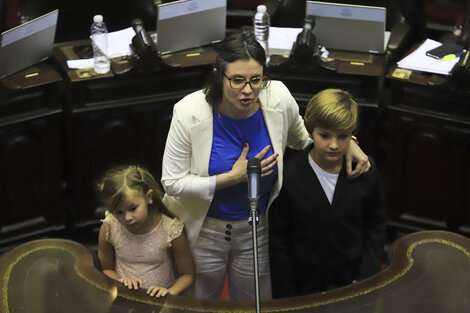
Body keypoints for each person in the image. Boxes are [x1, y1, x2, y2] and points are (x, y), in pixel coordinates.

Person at [160, 32, 370, 301]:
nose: (248, 90)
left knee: (255, 303)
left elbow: (305, 140)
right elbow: (172, 183)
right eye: (237, 80)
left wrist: (348, 141)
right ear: (218, 75)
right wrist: (230, 178)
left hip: (256, 231)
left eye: (256, 80)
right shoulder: (188, 112)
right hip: (203, 233)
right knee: (197, 305)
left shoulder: (278, 98)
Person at [269, 89, 387, 298]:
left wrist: (366, 277)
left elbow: (375, 225)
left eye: (342, 136)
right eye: (325, 135)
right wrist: (287, 294)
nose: (333, 145)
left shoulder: (365, 171)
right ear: (311, 130)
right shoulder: (289, 176)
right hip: (303, 285)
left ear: (352, 136)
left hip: (353, 280)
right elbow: (279, 242)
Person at [96, 165, 195, 298]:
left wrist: (169, 292)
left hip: (162, 301)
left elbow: (187, 274)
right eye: (119, 212)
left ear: (148, 197)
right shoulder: (110, 227)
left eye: (133, 208)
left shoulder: (170, 229)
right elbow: (105, 269)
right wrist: (122, 281)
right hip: (126, 299)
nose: (127, 218)